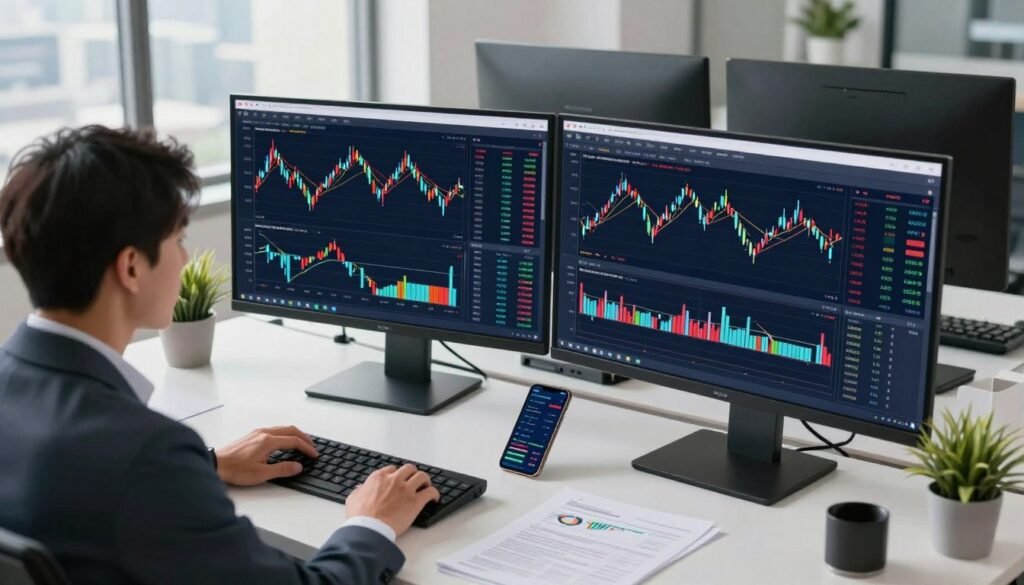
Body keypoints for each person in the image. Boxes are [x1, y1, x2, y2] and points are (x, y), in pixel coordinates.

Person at [0, 125, 439, 584]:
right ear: (131, 267)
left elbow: (73, 485)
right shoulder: (148, 455)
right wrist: (372, 523)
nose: (185, 260)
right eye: (177, 241)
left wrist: (207, 465)